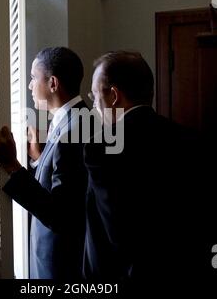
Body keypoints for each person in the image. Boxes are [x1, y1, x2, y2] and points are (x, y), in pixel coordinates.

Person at [83, 51, 203, 284]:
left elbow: (115, 233)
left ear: (114, 95)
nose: (95, 105)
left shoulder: (101, 147)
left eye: (95, 95)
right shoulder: (189, 138)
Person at [0, 47, 89, 280]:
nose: (29, 85)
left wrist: (12, 165)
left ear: (53, 83)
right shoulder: (74, 121)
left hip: (61, 265)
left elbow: (60, 214)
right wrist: (39, 158)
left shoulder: (73, 130)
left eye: (34, 78)